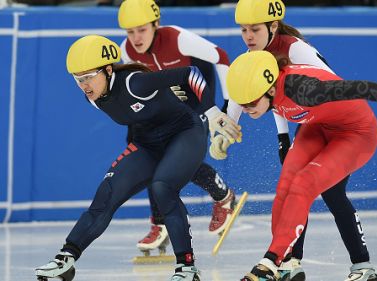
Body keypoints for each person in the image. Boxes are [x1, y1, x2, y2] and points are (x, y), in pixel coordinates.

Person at [218, 50, 377, 281]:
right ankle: (284, 263)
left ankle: (270, 262)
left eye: (250, 104)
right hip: (318, 126)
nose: (246, 109)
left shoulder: (306, 90)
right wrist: (222, 132)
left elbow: (365, 88)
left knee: (304, 184)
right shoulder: (263, 90)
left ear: (270, 89)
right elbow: (244, 103)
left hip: (355, 134)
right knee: (285, 184)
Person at [34, 35, 241, 281]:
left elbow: (191, 73)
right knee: (107, 193)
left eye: (89, 76)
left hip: (185, 133)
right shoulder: (93, 98)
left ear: (108, 70)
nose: (84, 85)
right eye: (78, 79)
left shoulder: (135, 82)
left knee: (162, 187)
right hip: (148, 143)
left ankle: (187, 267)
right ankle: (66, 258)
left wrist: (213, 111)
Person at [231, 0, 377, 280]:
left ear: (273, 26)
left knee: (330, 193)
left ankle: (363, 266)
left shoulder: (294, 48)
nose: (248, 36)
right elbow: (273, 99)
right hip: (310, 125)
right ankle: (289, 262)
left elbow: (332, 84)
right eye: (243, 30)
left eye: (254, 29)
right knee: (293, 189)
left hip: (337, 124)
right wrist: (282, 138)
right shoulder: (256, 52)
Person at [117, 0, 243, 253]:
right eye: (130, 32)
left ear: (156, 24)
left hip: (198, 102)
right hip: (166, 107)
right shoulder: (127, 50)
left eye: (141, 30)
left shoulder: (177, 38)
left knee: (177, 158)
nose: (136, 38)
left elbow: (222, 57)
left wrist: (226, 106)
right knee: (146, 153)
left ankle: (223, 195)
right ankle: (161, 222)